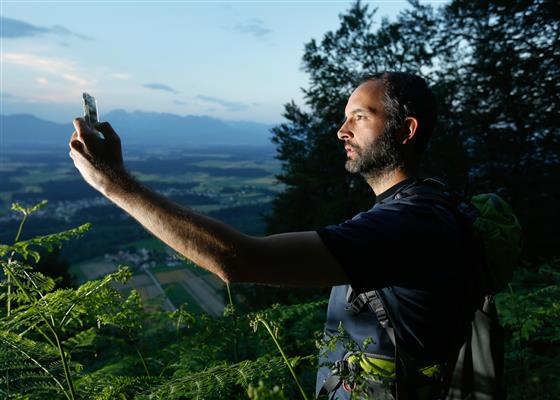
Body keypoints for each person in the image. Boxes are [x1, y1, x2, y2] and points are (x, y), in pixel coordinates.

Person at [69, 71, 467, 399]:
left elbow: (239, 260)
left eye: (359, 117)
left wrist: (115, 184)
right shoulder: (422, 207)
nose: (342, 131)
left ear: (406, 130)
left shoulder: (409, 223)